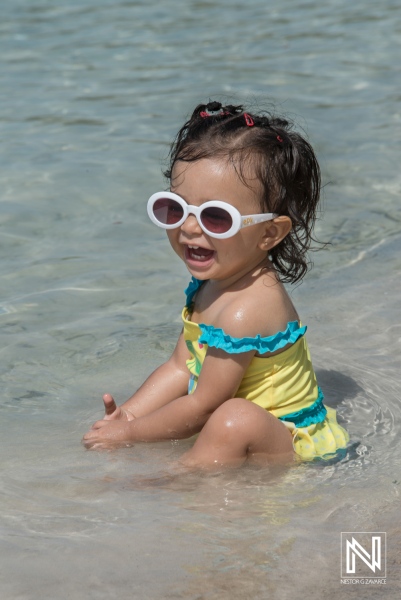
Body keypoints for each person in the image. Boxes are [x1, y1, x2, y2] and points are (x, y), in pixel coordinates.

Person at [83, 100, 349, 467]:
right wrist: (127, 417)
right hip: (252, 432)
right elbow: (179, 367)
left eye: (216, 217)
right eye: (175, 209)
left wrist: (130, 436)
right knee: (226, 417)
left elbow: (203, 406)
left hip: (289, 441)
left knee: (231, 417)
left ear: (269, 233)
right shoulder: (213, 282)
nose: (189, 227)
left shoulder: (247, 308)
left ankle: (180, 483)